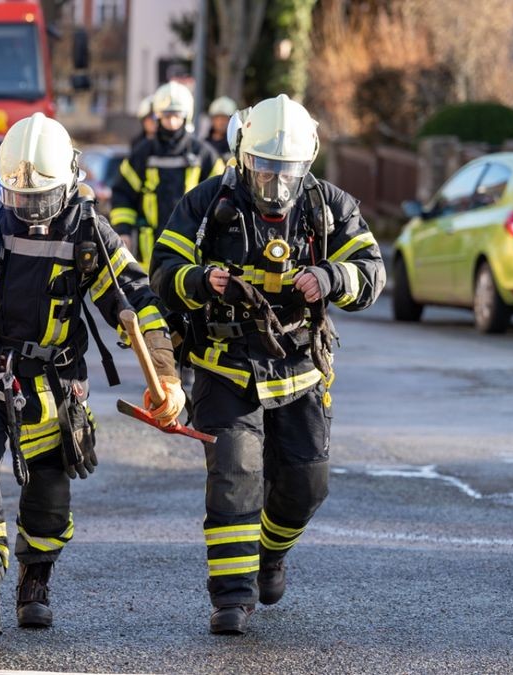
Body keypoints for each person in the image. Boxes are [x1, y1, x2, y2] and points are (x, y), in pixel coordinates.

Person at [0, 112, 183, 637]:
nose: (31, 212)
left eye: (41, 200)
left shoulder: (90, 233)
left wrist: (165, 378)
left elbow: (137, 306)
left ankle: (34, 582)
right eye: (20, 200)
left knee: (49, 497)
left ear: (69, 181)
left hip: (54, 385)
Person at [149, 94, 385, 635]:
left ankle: (270, 555)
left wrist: (331, 278)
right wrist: (196, 280)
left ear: (308, 163)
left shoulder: (329, 206)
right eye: (264, 170)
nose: (275, 185)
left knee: (307, 483)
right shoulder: (208, 202)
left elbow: (371, 269)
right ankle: (231, 599)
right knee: (235, 477)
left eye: (287, 173)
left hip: (300, 368)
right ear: (242, 157)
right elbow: (163, 267)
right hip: (225, 367)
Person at [111, 81, 224, 271]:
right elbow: (123, 193)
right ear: (158, 116)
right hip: (148, 251)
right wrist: (123, 230)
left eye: (176, 116)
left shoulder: (204, 155)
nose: (171, 123)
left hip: (193, 245)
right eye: (166, 116)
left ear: (186, 116)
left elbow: (223, 192)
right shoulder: (142, 154)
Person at [204, 96, 238, 162]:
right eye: (217, 118)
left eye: (224, 118)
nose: (220, 122)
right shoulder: (204, 143)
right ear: (212, 119)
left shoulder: (236, 145)